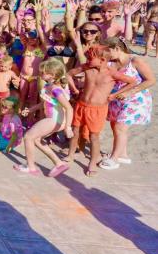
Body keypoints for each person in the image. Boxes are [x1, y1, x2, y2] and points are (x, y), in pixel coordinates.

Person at [64, 45, 138, 176]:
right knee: (75, 131)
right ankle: (70, 155)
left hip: (98, 109)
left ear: (102, 59)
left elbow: (132, 82)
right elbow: (69, 74)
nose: (87, 60)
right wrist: (75, 89)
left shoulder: (112, 73)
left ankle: (92, 163)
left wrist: (115, 94)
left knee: (94, 136)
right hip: (81, 105)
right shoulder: (86, 68)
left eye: (90, 58)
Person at [13, 58, 74, 177]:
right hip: (55, 120)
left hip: (55, 120)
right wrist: (31, 109)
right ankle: (59, 163)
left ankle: (30, 167)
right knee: (36, 139)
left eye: (42, 72)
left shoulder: (55, 89)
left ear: (52, 75)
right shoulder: (49, 86)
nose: (40, 74)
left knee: (28, 137)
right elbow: (46, 103)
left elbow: (69, 108)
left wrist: (68, 127)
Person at [100, 38, 154, 170]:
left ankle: (114, 158)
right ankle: (122, 155)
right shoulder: (111, 62)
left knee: (120, 127)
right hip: (117, 99)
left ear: (117, 49)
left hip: (135, 99)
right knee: (115, 126)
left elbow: (151, 80)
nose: (104, 54)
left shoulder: (135, 61)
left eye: (107, 51)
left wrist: (130, 92)